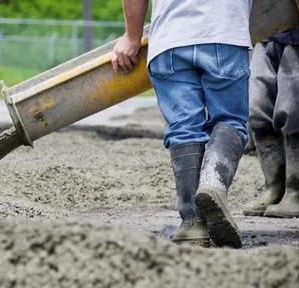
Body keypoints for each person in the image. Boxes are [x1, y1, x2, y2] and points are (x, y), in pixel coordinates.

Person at [112, 0, 252, 248]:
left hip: (170, 40)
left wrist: (131, 38)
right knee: (229, 120)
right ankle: (213, 184)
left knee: (184, 128)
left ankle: (192, 223)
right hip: (224, 33)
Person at [243, 28, 299, 218]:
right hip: (266, 33)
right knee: (256, 110)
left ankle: (295, 190)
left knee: (292, 109)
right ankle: (273, 186)